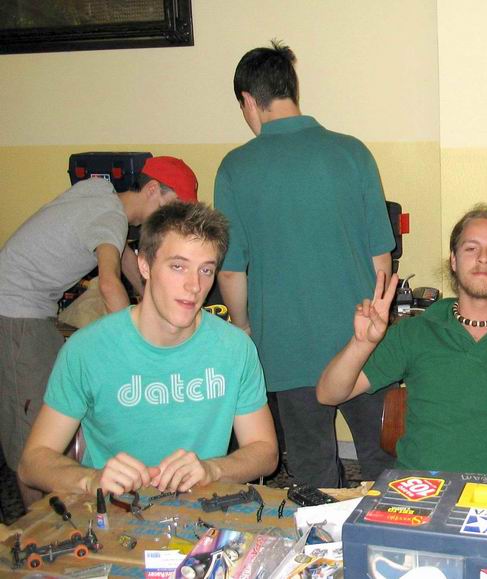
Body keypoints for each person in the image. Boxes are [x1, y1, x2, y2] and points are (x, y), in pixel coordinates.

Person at [214, 41, 396, 487]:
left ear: (248, 101)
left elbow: (231, 269)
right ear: (291, 90)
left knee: (313, 468)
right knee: (384, 460)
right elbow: (381, 258)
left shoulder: (235, 167)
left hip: (287, 343)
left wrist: (243, 324)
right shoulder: (353, 152)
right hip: (361, 338)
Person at [18, 202, 278, 496]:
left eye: (206, 270)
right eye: (178, 266)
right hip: (116, 510)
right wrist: (91, 480)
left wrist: (213, 469)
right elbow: (33, 461)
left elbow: (265, 451)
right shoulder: (87, 350)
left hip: (201, 509)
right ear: (144, 265)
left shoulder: (234, 348)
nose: (194, 285)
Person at [317, 205, 487, 484]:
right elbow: (328, 394)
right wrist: (361, 344)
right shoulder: (415, 332)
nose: (483, 258)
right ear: (453, 260)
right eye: (471, 248)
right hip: (416, 493)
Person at [0, 155, 198, 506]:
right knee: (32, 436)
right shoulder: (110, 218)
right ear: (152, 189)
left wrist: (150, 298)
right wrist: (134, 346)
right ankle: (35, 525)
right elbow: (108, 283)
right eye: (173, 209)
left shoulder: (100, 193)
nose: (173, 223)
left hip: (28, 306)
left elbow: (123, 258)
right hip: (17, 312)